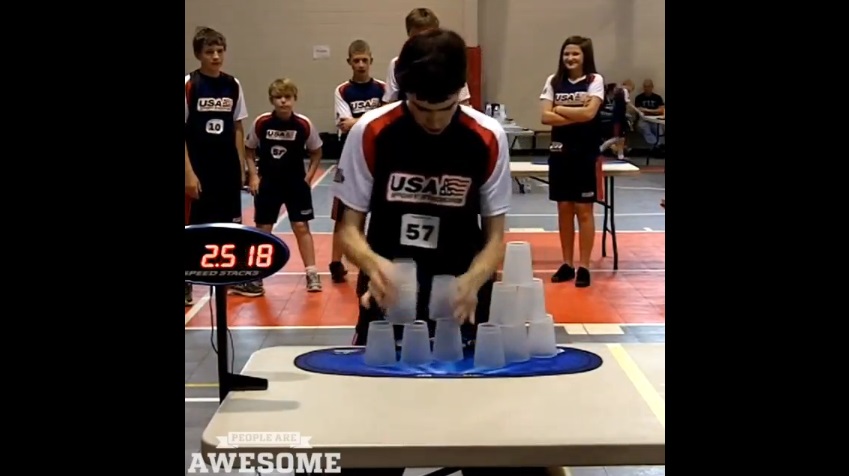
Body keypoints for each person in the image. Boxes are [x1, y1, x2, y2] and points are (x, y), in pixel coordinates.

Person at [331, 28, 549, 476]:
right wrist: (373, 264)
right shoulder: (371, 133)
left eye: (445, 108)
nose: (433, 121)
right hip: (388, 300)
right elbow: (348, 230)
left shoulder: (486, 137)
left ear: (461, 92)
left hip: (463, 303)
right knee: (373, 444)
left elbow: (495, 237)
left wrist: (474, 279)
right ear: (405, 92)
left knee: (482, 444)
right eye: (422, 108)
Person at [231, 78, 324, 296]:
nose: (283, 101)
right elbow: (249, 149)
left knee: (301, 226)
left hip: (295, 183)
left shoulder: (304, 124)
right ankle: (256, 277)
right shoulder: (262, 122)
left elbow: (316, 151)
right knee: (264, 228)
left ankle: (312, 273)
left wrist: (308, 177)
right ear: (271, 100)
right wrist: (253, 176)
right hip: (269, 183)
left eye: (287, 97)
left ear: (294, 99)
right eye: (278, 97)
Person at [185, 26, 249, 306]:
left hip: (226, 167)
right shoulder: (189, 84)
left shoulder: (233, 84)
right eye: (209, 51)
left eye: (219, 51)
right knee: (194, 227)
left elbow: (237, 126)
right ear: (198, 54)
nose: (215, 56)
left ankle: (231, 274)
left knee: (229, 224)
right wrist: (188, 173)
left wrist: (241, 165)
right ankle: (187, 280)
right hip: (198, 167)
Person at [539, 36, 605, 288]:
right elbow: (545, 117)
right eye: (566, 54)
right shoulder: (553, 81)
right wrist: (577, 113)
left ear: (585, 56)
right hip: (560, 153)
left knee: (584, 210)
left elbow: (590, 114)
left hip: (585, 153)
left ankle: (584, 266)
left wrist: (559, 109)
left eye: (575, 54)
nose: (570, 58)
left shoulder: (594, 80)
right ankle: (567, 263)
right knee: (564, 209)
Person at [328, 39, 386, 283]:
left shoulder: (383, 88)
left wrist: (358, 120)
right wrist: (370, 118)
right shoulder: (342, 90)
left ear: (371, 61)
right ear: (349, 62)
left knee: (377, 211)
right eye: (356, 60)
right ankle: (335, 262)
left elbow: (384, 120)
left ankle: (370, 260)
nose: (361, 64)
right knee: (343, 212)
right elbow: (345, 124)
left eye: (364, 60)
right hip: (349, 156)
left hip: (377, 155)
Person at [382, 7, 471, 106]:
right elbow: (390, 104)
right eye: (417, 37)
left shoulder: (450, 62)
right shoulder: (396, 64)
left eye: (427, 37)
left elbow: (463, 103)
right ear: (409, 35)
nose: (423, 43)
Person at [598, 83, 628, 159]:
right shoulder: (617, 98)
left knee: (621, 138)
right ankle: (601, 148)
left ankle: (620, 155)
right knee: (618, 138)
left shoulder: (620, 97)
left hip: (621, 119)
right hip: (616, 121)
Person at [634, 78, 665, 147]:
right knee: (645, 128)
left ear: (652, 87)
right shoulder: (639, 98)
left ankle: (660, 146)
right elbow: (639, 110)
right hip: (643, 120)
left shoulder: (657, 97)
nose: (647, 88)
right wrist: (654, 111)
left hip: (655, 120)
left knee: (659, 129)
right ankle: (657, 145)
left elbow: (661, 110)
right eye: (645, 86)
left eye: (648, 86)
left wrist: (647, 110)